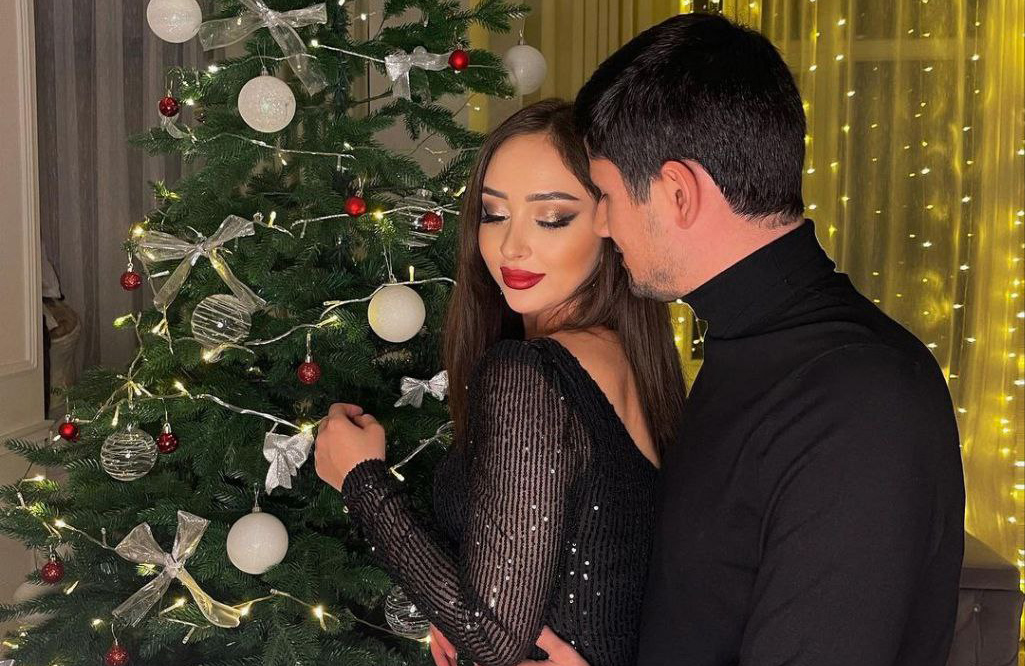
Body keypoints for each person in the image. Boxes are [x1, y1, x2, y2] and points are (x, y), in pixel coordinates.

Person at [528, 12, 966, 666]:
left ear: (678, 192)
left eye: (608, 195)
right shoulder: (755, 349)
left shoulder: (858, 400)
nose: (603, 225)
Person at [314, 99, 688, 666]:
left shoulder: (531, 374)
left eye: (552, 217)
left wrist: (360, 479)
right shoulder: (628, 359)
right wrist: (451, 604)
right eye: (492, 214)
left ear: (609, 223)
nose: (511, 246)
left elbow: (492, 634)